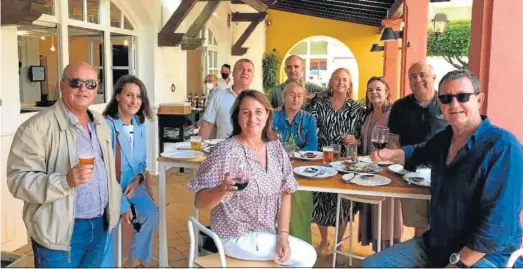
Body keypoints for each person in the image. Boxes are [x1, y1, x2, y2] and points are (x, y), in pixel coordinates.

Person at [362, 70, 523, 268]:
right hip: (437, 246)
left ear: (479, 100)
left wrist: (458, 264)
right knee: (371, 265)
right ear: (440, 104)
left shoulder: (503, 147)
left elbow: (499, 226)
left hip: (484, 256)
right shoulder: (445, 138)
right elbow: (418, 152)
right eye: (446, 98)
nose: (454, 104)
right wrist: (391, 154)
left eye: (462, 97)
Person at [6, 62, 126, 268]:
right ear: (62, 86)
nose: (83, 88)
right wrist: (64, 181)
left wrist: (116, 206)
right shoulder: (36, 127)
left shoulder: (101, 124)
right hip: (59, 231)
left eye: (90, 83)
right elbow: (17, 180)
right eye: (75, 82)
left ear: (97, 89)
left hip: (100, 225)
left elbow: (110, 171)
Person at [186, 90, 317, 267]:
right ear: (237, 117)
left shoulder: (275, 146)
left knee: (294, 254)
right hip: (235, 235)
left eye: (258, 111)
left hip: (267, 233)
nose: (252, 118)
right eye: (245, 112)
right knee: (306, 255)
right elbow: (200, 202)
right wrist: (222, 189)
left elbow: (286, 191)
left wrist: (283, 236)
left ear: (267, 115)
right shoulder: (225, 151)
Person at [101, 75, 158, 267]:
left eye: (139, 96)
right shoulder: (105, 126)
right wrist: (123, 204)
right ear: (118, 96)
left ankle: (133, 262)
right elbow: (104, 171)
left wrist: (138, 180)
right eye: (129, 95)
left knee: (151, 214)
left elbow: (142, 162)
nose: (135, 101)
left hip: (133, 186)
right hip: (110, 188)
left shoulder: (140, 125)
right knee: (111, 226)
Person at [308, 68, 365, 256]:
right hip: (323, 156)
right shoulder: (319, 104)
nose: (341, 82)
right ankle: (324, 240)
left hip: (346, 158)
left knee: (343, 201)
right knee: (319, 199)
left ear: (349, 84)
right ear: (331, 82)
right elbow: (308, 124)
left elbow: (363, 136)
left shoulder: (357, 109)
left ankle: (339, 243)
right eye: (337, 79)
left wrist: (356, 140)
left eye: (345, 79)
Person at [387, 61, 448, 237]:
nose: (418, 79)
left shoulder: (446, 103)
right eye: (412, 76)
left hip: (444, 174)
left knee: (445, 222)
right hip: (412, 175)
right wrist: (395, 160)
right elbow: (393, 140)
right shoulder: (399, 106)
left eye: (423, 75)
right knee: (420, 226)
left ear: (434, 77)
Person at [357, 77, 403, 251]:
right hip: (369, 171)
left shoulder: (393, 113)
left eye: (378, 89)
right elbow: (366, 143)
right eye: (370, 90)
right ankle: (377, 253)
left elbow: (399, 139)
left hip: (388, 172)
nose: (374, 93)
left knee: (386, 213)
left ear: (387, 92)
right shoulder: (367, 115)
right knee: (372, 210)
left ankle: (389, 252)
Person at [273, 82, 318, 244]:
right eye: (292, 94)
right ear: (284, 97)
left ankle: (300, 246)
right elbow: (266, 142)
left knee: (300, 209)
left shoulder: (309, 119)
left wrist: (295, 155)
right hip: (275, 169)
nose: (296, 98)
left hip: (300, 169)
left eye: (300, 95)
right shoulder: (273, 116)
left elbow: (313, 146)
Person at [199, 59, 254, 140]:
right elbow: (207, 124)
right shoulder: (218, 95)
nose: (245, 72)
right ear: (233, 73)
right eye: (241, 69)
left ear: (253, 76)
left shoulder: (257, 100)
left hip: (250, 150)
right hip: (223, 150)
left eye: (249, 70)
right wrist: (199, 149)